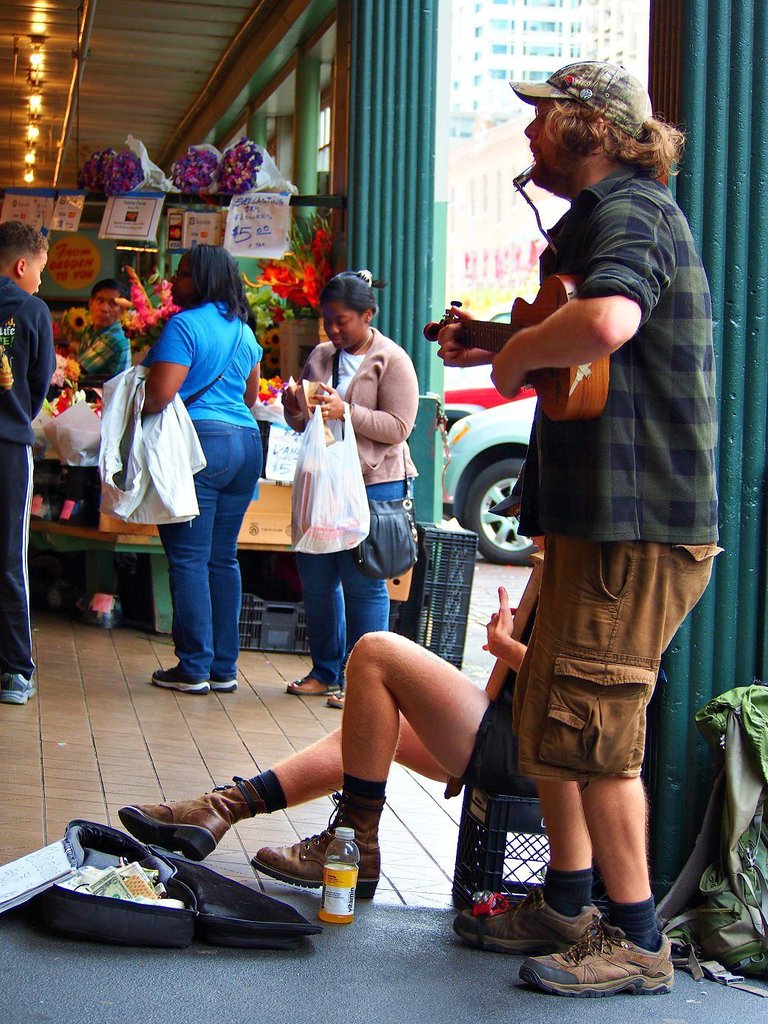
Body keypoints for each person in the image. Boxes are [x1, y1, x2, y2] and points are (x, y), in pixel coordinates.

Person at [435, 62, 720, 997]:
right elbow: (579, 349)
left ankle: (636, 939)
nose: (526, 135)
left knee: (597, 728)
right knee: (555, 722)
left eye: (540, 117)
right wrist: (491, 338)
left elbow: (605, 321)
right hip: (599, 525)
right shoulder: (604, 217)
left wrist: (515, 353)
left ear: (590, 125)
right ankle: (565, 904)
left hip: (637, 529)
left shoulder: (633, 209)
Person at [117, 586, 528, 896]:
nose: (521, 527)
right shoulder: (559, 561)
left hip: (537, 758)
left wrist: (508, 648)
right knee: (372, 732)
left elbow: (584, 689)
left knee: (376, 651)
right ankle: (222, 807)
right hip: (520, 738)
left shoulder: (583, 568)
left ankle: (356, 843)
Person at [281, 270, 419, 708]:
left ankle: (362, 683)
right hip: (322, 482)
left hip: (374, 484)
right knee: (317, 580)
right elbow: (305, 422)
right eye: (328, 320)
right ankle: (325, 671)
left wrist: (348, 411)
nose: (333, 330)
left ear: (368, 314)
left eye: (342, 321)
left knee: (362, 583)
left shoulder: (392, 360)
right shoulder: (321, 356)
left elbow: (398, 427)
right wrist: (293, 410)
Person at [142, 245, 262, 695]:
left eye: (184, 274)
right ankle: (223, 667)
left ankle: (193, 666)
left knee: (189, 558)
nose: (175, 282)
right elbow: (249, 398)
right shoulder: (244, 332)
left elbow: (159, 394)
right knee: (222, 557)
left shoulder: (185, 325)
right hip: (247, 445)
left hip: (201, 446)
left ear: (206, 280)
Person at [0, 223, 56, 705]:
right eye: (40, 268)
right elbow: (39, 384)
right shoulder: (32, 309)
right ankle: (16, 670)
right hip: (7, 446)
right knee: (9, 557)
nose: (41, 279)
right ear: (21, 265)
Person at [77, 278, 131, 378]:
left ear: (123, 310)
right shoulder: (90, 330)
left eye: (113, 304)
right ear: (90, 303)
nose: (104, 308)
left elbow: (77, 370)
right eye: (100, 301)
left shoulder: (115, 337)